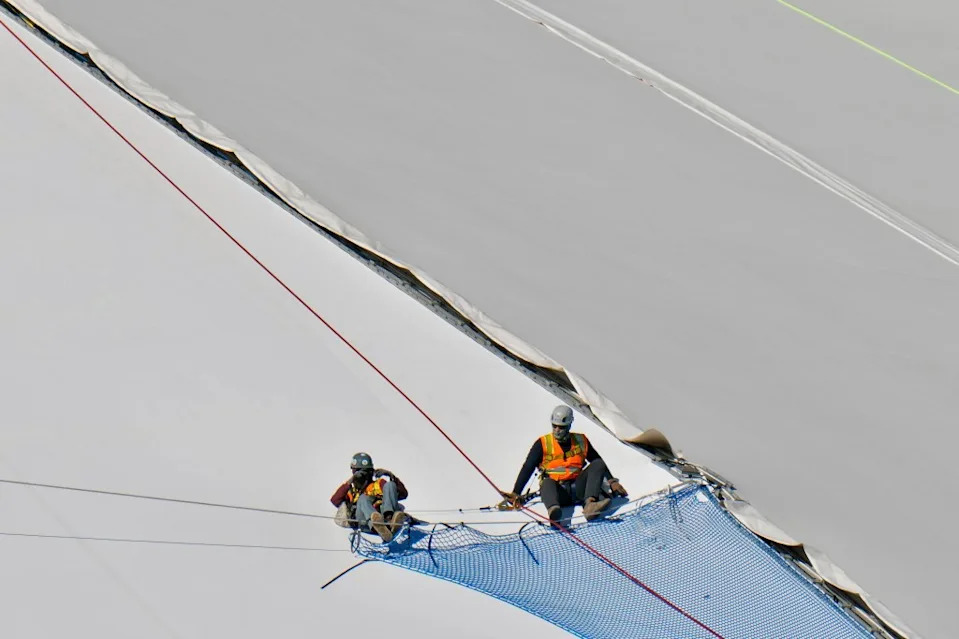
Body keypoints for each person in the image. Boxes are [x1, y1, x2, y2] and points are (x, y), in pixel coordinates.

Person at [503, 405, 628, 523]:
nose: (557, 430)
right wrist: (516, 493)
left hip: (578, 489)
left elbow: (597, 461)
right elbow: (528, 467)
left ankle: (590, 505)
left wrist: (612, 482)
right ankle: (553, 510)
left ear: (569, 426)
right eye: (554, 426)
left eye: (561, 427)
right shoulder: (543, 444)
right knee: (546, 482)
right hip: (558, 492)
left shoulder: (581, 440)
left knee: (598, 463)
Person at [331, 452, 410, 543]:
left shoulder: (378, 484)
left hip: (385, 521)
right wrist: (350, 481)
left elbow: (403, 494)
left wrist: (392, 476)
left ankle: (390, 521)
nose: (362, 476)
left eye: (365, 472)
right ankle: (377, 525)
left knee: (390, 485)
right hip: (365, 523)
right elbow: (335, 500)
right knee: (363, 498)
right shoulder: (351, 491)